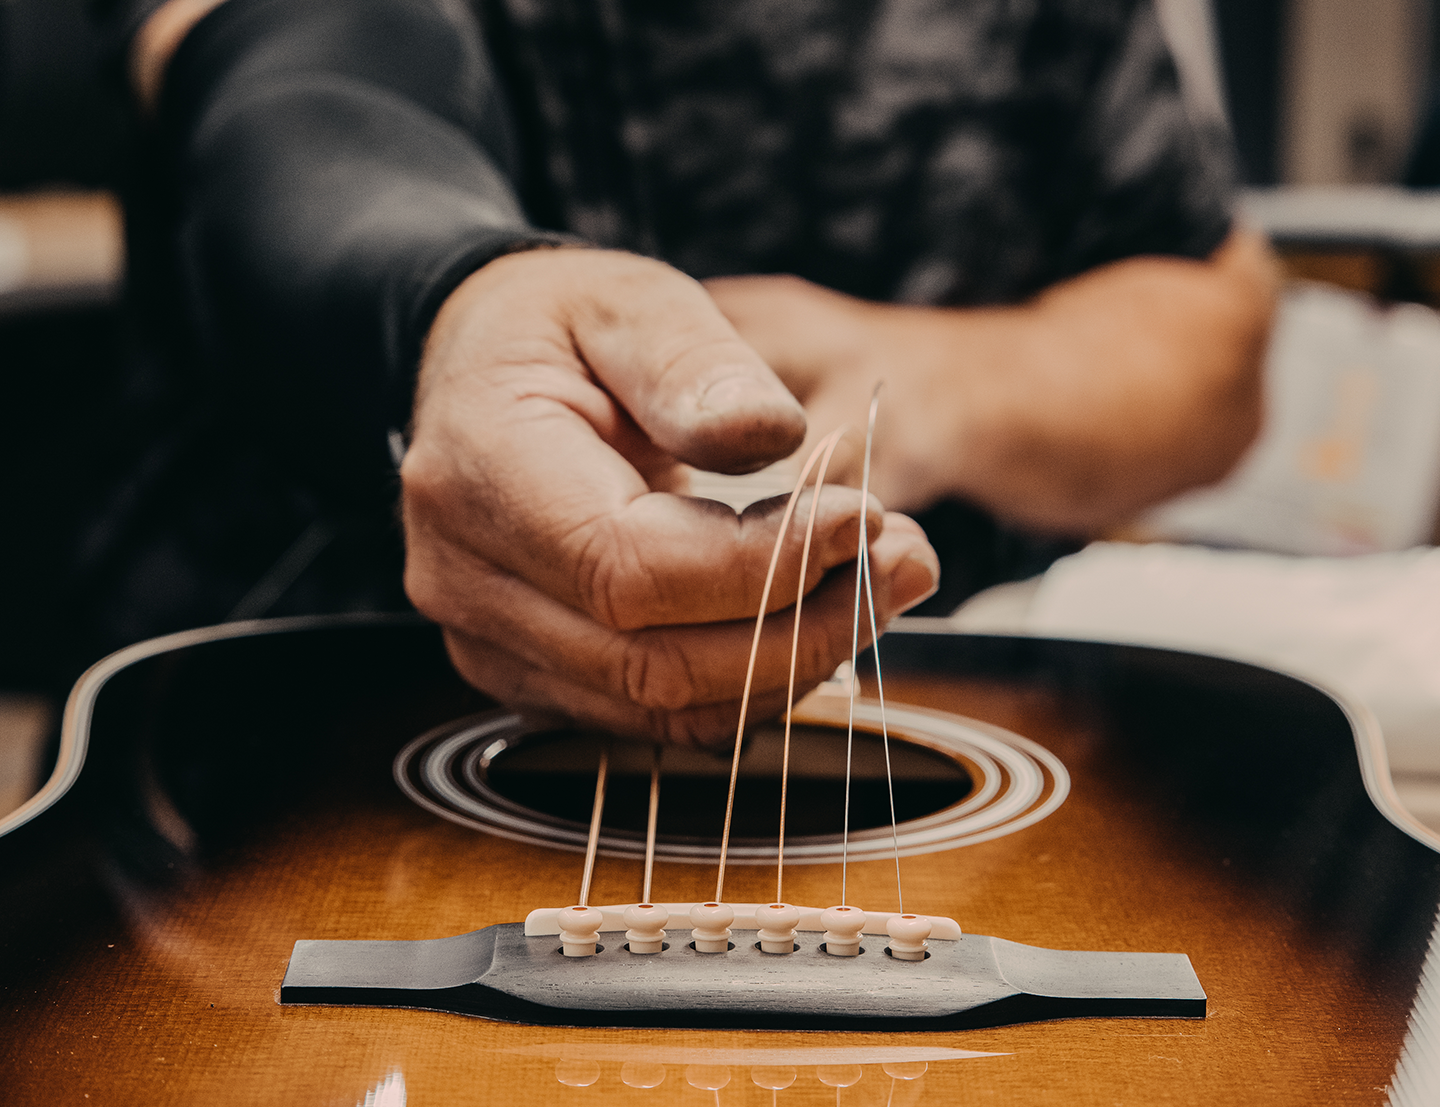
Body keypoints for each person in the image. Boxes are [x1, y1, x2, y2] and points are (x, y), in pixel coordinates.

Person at [77, 0, 1274, 746]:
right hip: (306, 752)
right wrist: (468, 300)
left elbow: (1205, 323)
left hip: (955, 751)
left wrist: (932, 385)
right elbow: (306, 90)